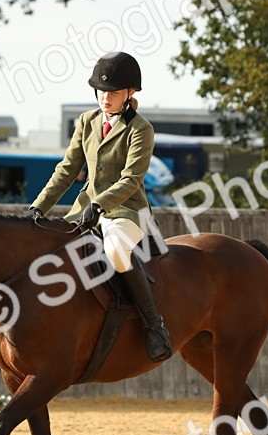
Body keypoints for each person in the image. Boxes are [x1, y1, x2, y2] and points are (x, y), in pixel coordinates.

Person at [26, 51, 173, 362]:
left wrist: (100, 203)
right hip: (84, 210)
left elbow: (132, 179)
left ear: (130, 93)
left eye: (114, 92)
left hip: (125, 211)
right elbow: (67, 169)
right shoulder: (87, 121)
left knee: (118, 250)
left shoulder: (141, 129)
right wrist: (38, 207)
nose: (105, 98)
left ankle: (154, 324)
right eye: (101, 91)